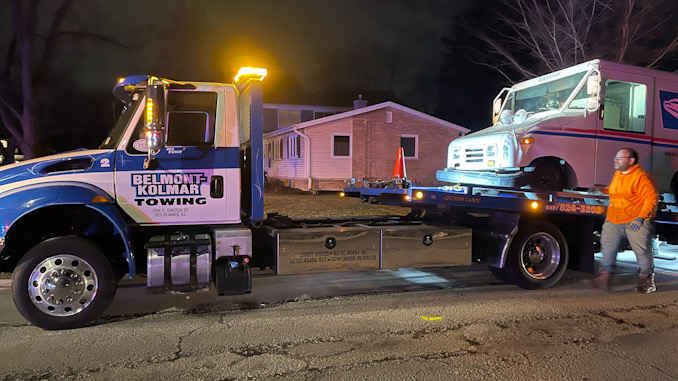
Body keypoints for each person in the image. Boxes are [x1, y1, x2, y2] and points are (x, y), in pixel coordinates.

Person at [592, 148, 658, 293]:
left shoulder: (641, 177)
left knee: (641, 251)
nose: (616, 160)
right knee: (608, 247)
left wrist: (640, 218)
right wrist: (604, 190)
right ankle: (605, 278)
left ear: (631, 160)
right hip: (614, 218)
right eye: (616, 157)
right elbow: (617, 190)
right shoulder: (619, 174)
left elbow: (651, 198)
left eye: (620, 158)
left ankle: (647, 279)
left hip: (635, 220)